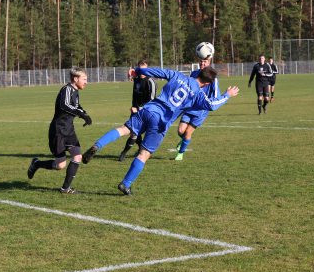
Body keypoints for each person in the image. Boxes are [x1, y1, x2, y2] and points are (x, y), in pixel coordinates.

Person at [81, 66, 239, 195]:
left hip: (149, 109)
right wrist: (227, 94)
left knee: (124, 129)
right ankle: (125, 184)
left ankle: (97, 146)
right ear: (207, 84)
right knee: (144, 154)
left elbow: (155, 71)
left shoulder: (177, 75)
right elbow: (212, 105)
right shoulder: (198, 94)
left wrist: (137, 71)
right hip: (162, 121)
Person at [27, 67, 92, 194]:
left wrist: (85, 114)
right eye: (84, 79)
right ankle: (37, 164)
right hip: (58, 131)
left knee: (77, 156)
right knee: (60, 165)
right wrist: (81, 114)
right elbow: (64, 105)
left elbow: (76, 106)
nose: (86, 82)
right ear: (75, 78)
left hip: (69, 130)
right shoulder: (66, 89)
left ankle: (65, 188)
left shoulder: (75, 91)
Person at [174, 57, 218, 161]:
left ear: (209, 62)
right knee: (180, 131)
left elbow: (215, 95)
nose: (202, 63)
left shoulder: (213, 78)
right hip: (190, 107)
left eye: (205, 61)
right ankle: (184, 141)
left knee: (188, 132)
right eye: (201, 61)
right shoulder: (194, 74)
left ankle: (180, 153)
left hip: (201, 112)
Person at [118, 60, 157, 162]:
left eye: (145, 69)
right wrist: (130, 73)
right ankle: (137, 149)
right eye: (140, 69)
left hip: (147, 111)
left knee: (135, 133)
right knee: (135, 132)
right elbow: (131, 74)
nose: (142, 72)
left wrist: (138, 108)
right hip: (134, 110)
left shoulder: (151, 82)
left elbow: (152, 101)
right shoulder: (137, 79)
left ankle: (124, 153)